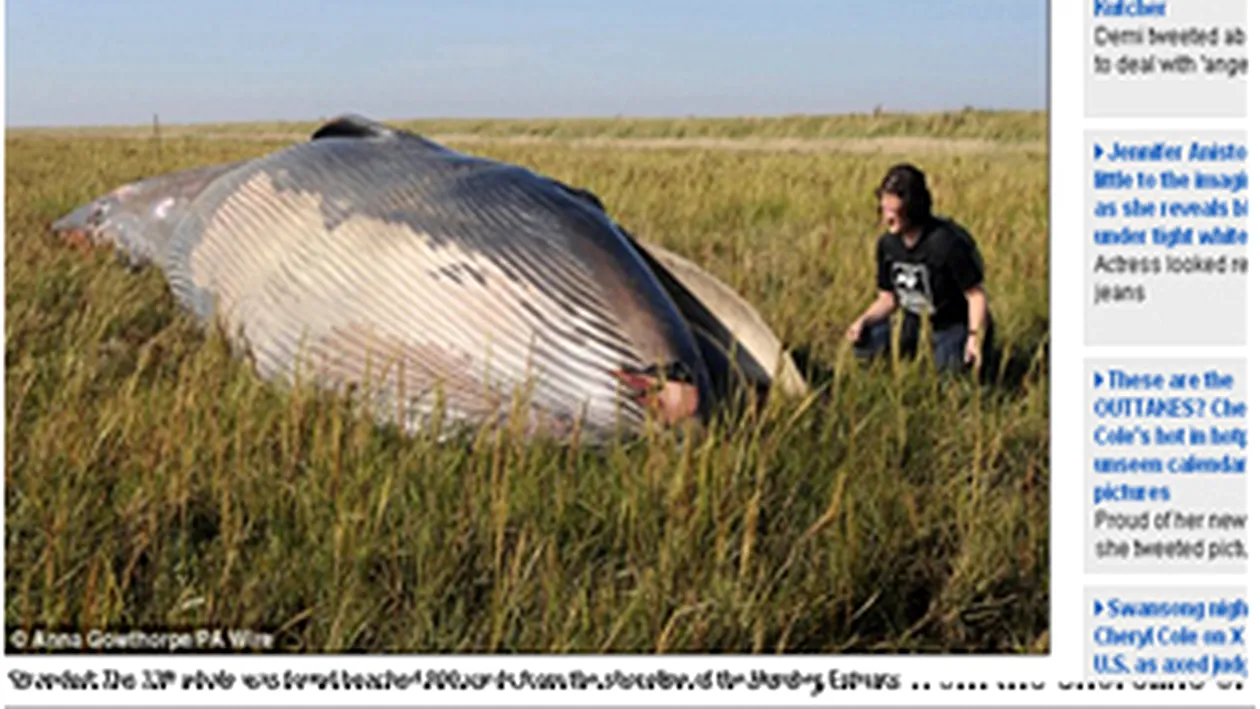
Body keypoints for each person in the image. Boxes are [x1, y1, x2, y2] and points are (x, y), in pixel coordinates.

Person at [845, 163, 996, 375]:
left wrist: (974, 336)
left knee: (952, 373)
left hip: (951, 324)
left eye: (894, 211)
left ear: (912, 206)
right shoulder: (887, 245)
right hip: (912, 322)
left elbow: (976, 295)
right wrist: (862, 320)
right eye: (884, 210)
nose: (887, 218)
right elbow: (888, 299)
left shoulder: (947, 243)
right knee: (867, 338)